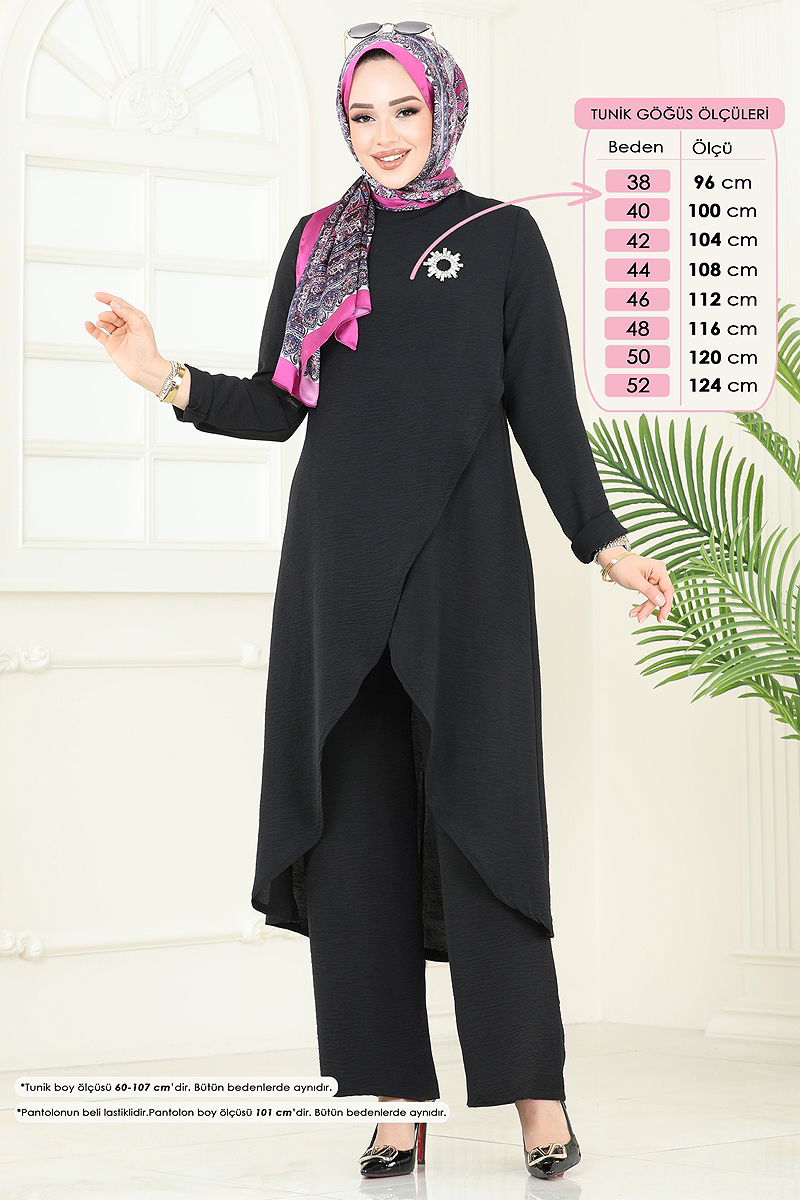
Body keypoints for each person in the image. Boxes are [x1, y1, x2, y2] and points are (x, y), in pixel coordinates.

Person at [84, 24, 674, 1182]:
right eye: (363, 115)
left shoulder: (500, 236)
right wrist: (162, 375)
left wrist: (600, 541)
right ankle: (394, 1101)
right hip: (336, 573)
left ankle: (535, 1096)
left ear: (443, 110)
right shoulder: (319, 241)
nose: (384, 134)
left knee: (485, 825)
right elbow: (277, 408)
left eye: (405, 110)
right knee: (355, 842)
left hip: (467, 568)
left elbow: (543, 409)